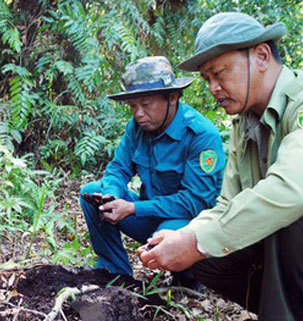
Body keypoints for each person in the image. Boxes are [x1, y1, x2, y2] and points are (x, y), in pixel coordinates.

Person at [138, 12, 303, 321]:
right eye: (207, 78)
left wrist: (196, 241)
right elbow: (227, 205)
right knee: (200, 247)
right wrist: (186, 239)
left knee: (292, 202)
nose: (212, 86)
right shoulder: (244, 125)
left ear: (260, 56)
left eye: (219, 72)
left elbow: (295, 188)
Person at [79, 56, 225, 288]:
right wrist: (112, 196)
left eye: (146, 104)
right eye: (133, 106)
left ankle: (189, 278)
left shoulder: (201, 136)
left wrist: (133, 208)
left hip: (188, 225)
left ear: (172, 97)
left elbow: (195, 202)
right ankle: (114, 272)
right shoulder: (138, 128)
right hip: (150, 215)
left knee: (162, 238)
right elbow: (118, 167)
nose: (138, 113)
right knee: (92, 193)